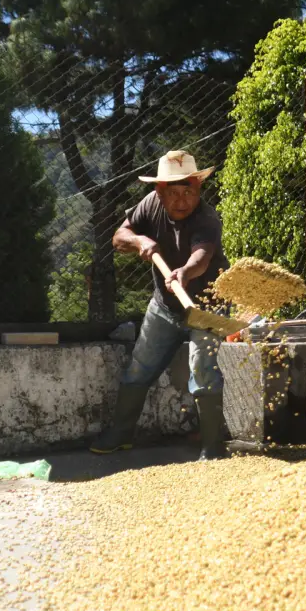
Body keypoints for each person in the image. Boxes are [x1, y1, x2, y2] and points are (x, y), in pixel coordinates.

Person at [89, 150, 231, 461]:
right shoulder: (149, 205)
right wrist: (140, 242)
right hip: (165, 305)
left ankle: (211, 445)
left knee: (202, 370)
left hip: (208, 305)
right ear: (159, 192)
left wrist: (184, 272)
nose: (182, 201)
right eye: (174, 193)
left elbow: (202, 257)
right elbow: (119, 236)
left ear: (198, 189)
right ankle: (121, 434)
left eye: (188, 192)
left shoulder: (207, 218)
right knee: (139, 367)